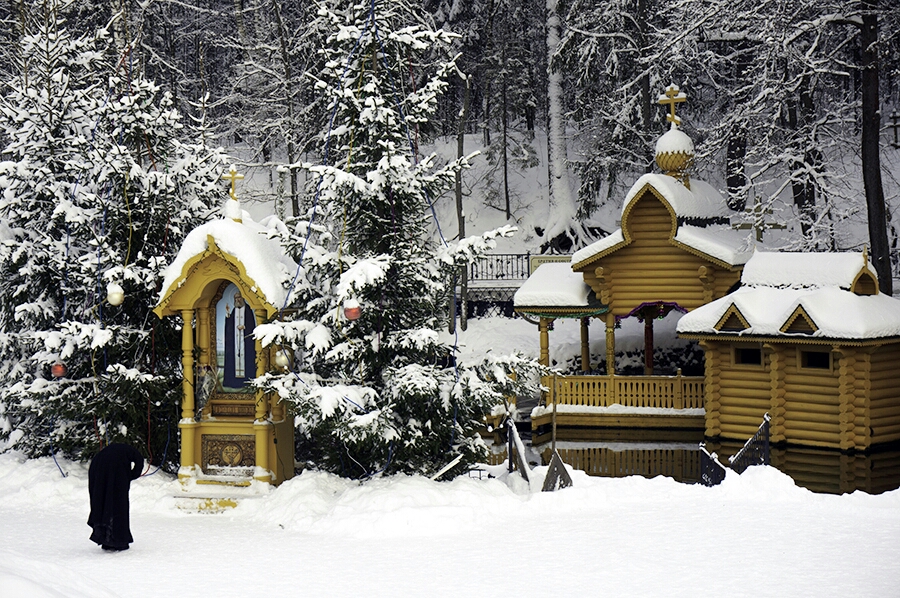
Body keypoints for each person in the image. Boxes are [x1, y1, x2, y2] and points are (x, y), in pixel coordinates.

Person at [87, 443, 144, 551]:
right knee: (119, 503)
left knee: (103, 500)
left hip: (97, 467)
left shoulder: (119, 451)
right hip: (113, 469)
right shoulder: (131, 455)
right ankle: (118, 540)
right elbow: (138, 464)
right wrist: (131, 476)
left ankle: (106, 538)